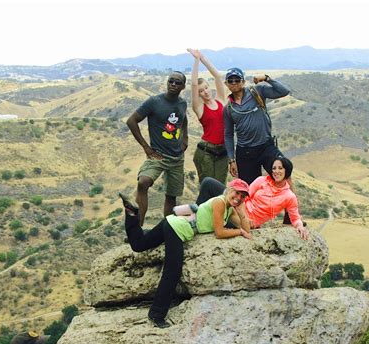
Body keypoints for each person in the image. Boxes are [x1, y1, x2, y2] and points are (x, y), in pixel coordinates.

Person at [121, 179, 251, 328]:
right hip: (178, 228)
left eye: (243, 196)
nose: (239, 198)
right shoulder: (220, 203)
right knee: (173, 271)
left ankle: (132, 213)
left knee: (139, 244)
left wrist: (242, 213)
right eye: (237, 193)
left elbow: (247, 231)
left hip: (171, 221)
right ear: (229, 189)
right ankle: (156, 315)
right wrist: (239, 231)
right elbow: (220, 232)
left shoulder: (230, 209)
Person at [126, 71, 188, 226]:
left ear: (183, 86)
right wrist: (146, 147)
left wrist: (185, 139)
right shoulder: (154, 102)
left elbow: (183, 119)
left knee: (171, 196)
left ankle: (168, 227)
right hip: (158, 155)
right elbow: (131, 121)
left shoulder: (182, 103)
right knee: (143, 182)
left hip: (177, 158)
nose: (173, 84)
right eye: (171, 81)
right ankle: (137, 227)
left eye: (177, 82)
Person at [196, 157, 308, 239]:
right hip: (238, 208)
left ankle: (199, 221)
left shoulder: (289, 196)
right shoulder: (261, 180)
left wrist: (300, 226)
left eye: (280, 168)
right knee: (208, 183)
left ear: (287, 170)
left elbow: (295, 217)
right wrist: (241, 210)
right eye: (274, 168)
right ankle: (195, 214)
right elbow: (245, 196)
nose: (276, 171)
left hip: (245, 223)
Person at [223, 67, 290, 185]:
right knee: (249, 188)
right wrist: (231, 160)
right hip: (245, 152)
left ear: (243, 82)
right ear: (226, 84)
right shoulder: (228, 108)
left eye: (237, 80)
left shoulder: (257, 92)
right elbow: (228, 135)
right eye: (230, 80)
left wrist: (266, 78)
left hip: (266, 146)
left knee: (283, 173)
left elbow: (283, 91)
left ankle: (290, 203)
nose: (234, 83)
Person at [187, 48, 228, 184]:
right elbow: (193, 84)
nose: (205, 92)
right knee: (208, 188)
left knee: (220, 189)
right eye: (201, 91)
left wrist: (202, 57)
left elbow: (217, 76)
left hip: (223, 153)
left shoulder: (221, 100)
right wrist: (196, 61)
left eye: (206, 88)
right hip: (206, 153)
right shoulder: (199, 108)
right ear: (198, 94)